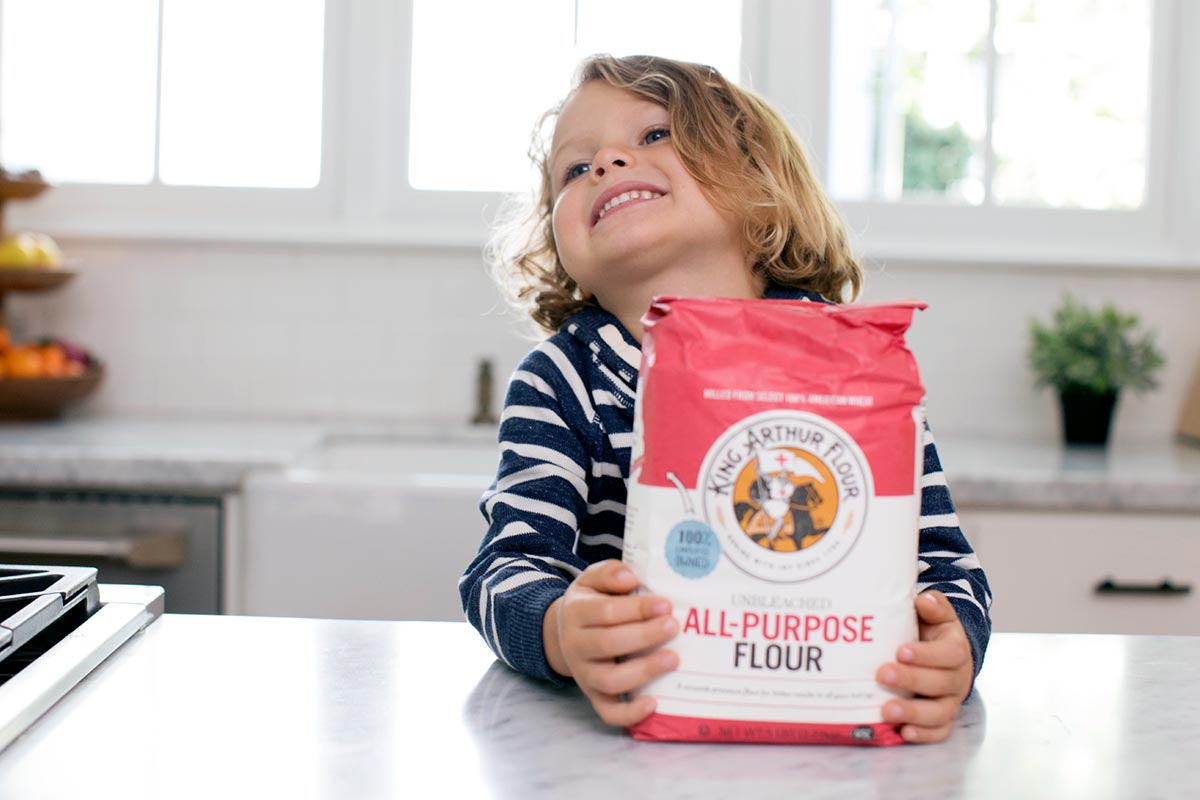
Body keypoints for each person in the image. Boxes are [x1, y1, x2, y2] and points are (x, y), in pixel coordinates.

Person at [459, 54, 991, 744]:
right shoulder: (562, 381)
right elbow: (503, 570)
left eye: (654, 135)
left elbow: (946, 568)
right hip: (637, 749)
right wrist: (559, 630)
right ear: (568, 255)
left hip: (836, 740)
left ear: (758, 181)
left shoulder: (853, 365)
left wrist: (952, 648)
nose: (606, 163)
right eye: (574, 168)